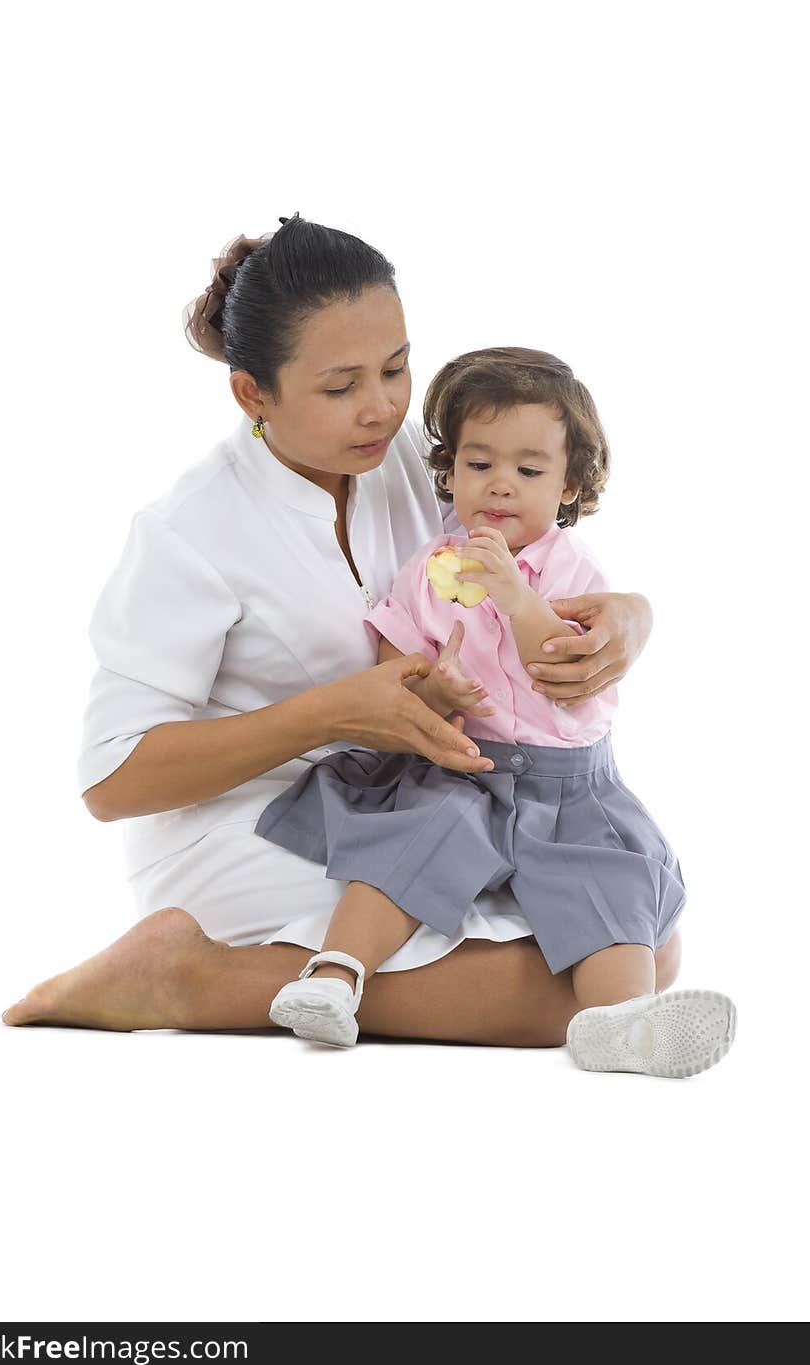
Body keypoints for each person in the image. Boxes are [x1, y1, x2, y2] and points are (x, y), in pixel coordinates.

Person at [2, 215, 671, 1046]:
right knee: (556, 991)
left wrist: (632, 619)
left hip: (427, 793)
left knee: (647, 942)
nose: (383, 407)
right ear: (254, 394)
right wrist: (334, 714)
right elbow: (111, 782)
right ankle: (182, 976)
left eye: (396, 368)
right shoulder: (190, 532)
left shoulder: (407, 455)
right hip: (255, 819)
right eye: (341, 385)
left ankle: (248, 979)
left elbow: (536, 546)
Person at [256, 347, 736, 1076]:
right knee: (409, 843)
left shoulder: (572, 570)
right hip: (461, 766)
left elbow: (561, 670)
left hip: (566, 785)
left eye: (529, 471)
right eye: (480, 466)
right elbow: (395, 668)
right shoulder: (429, 570)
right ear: (450, 472)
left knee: (607, 882)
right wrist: (434, 693)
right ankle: (334, 976)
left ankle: (622, 1023)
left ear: (569, 482)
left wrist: (515, 596)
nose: (500, 486)